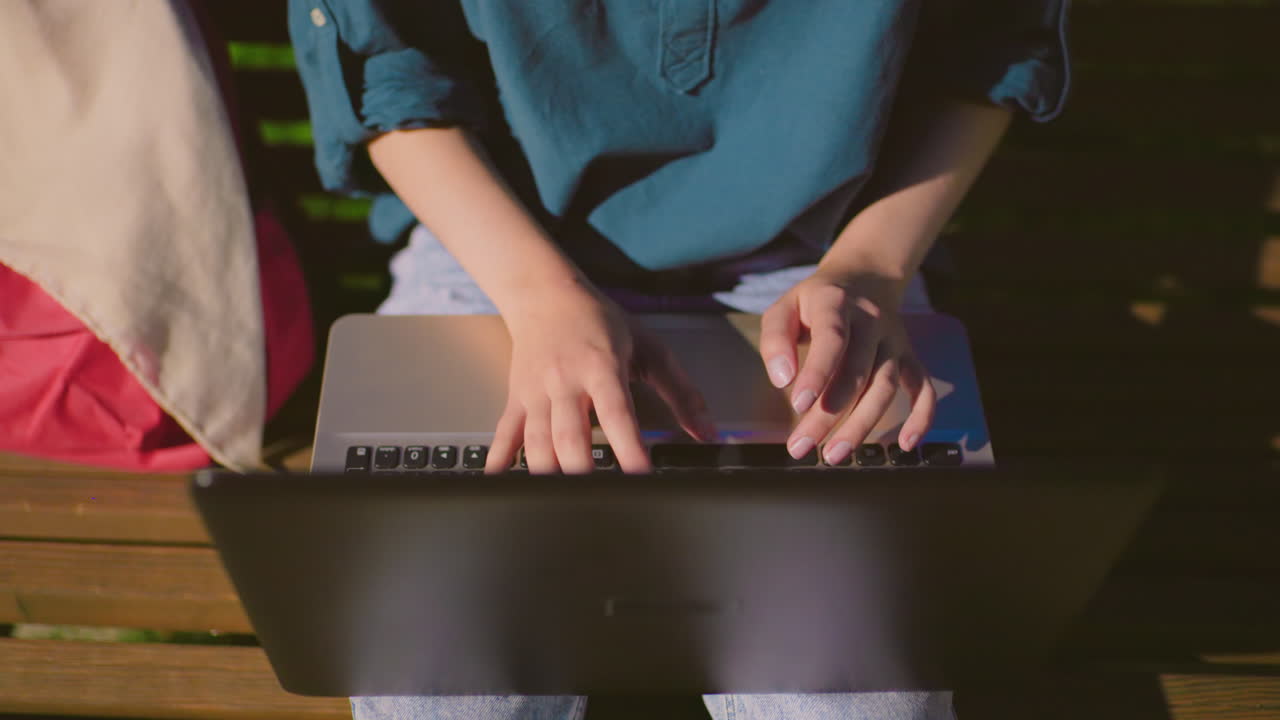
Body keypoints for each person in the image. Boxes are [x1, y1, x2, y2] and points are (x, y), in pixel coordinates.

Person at [290, 1, 1070, 718]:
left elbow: (992, 41)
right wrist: (540, 298)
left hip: (828, 251)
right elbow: (387, 64)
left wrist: (870, 270)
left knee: (854, 701)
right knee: (450, 696)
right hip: (496, 249)